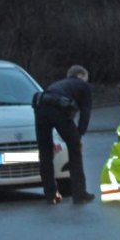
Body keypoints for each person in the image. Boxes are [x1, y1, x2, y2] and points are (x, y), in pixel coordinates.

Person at [34, 64, 95, 205]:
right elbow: (85, 112)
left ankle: (50, 195)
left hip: (40, 108)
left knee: (45, 152)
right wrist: (79, 134)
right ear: (81, 75)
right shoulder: (83, 86)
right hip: (58, 110)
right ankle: (79, 194)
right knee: (74, 150)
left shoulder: (58, 84)